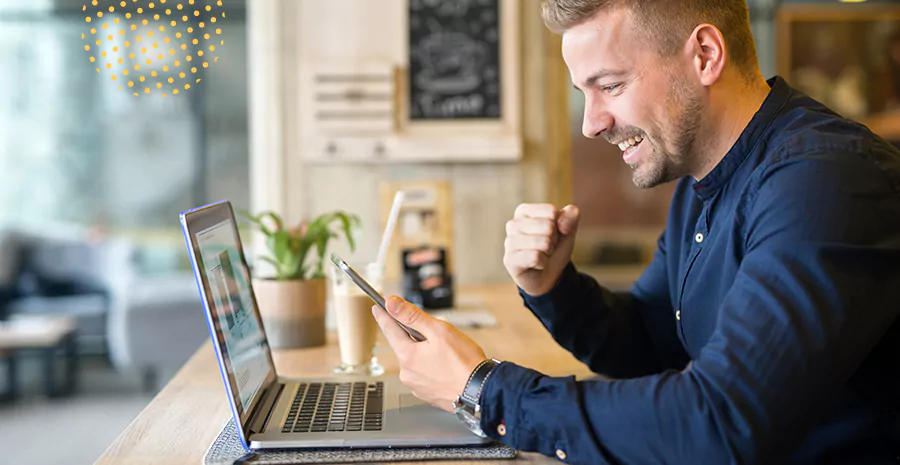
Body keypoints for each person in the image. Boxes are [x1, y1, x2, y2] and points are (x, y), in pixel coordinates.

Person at [370, 0, 900, 463]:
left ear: (706, 55)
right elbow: (651, 342)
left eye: (611, 85)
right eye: (585, 92)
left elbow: (719, 425)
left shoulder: (825, 181)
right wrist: (552, 287)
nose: (591, 123)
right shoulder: (703, 179)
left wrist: (485, 391)